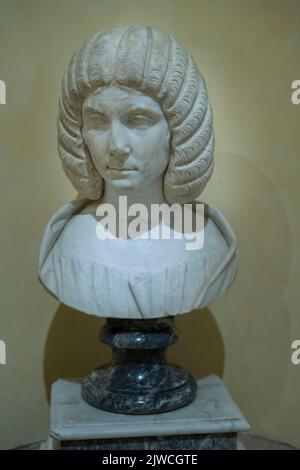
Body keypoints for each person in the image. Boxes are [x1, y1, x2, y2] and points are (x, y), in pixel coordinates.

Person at [38, 25, 237, 318]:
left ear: (179, 130)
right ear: (77, 131)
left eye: (138, 119)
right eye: (97, 120)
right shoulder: (66, 244)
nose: (117, 145)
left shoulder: (208, 244)